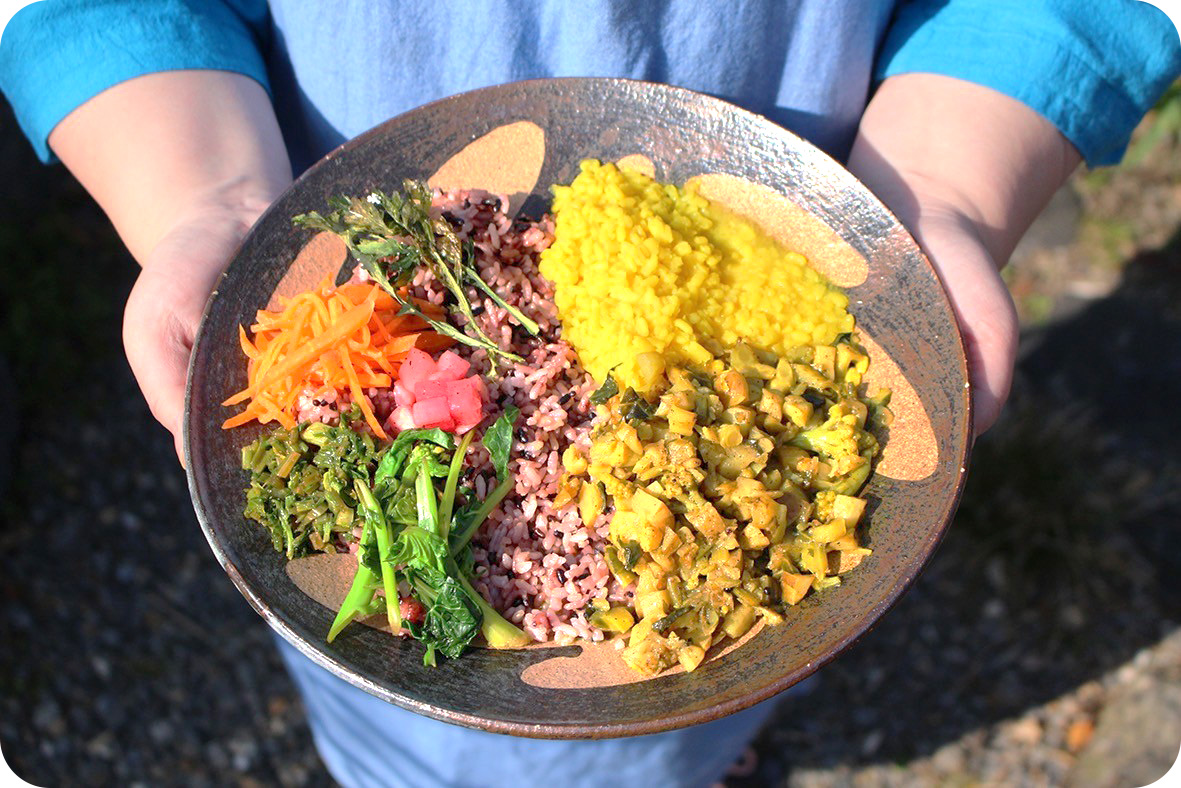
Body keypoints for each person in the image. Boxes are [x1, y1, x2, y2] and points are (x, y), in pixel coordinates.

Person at [2, 2, 1177, 786]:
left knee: (687, 712)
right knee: (392, 723)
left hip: (799, 160)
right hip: (329, 168)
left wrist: (943, 188)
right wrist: (204, 193)